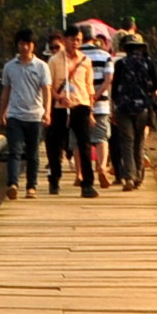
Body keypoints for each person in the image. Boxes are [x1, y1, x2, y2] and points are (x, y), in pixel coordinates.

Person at [0, 28, 50, 199]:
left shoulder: (42, 67)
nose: (25, 47)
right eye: (21, 44)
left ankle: (31, 186)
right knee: (15, 151)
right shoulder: (9, 67)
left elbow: (46, 90)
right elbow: (6, 91)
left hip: (35, 115)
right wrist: (2, 113)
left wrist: (47, 112)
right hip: (15, 115)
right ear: (17, 45)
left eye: (28, 44)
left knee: (33, 154)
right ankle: (12, 183)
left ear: (33, 46)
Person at [44, 28, 97, 197]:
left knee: (84, 145)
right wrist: (58, 97)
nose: (75, 43)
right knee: (56, 144)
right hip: (60, 107)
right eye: (72, 39)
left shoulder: (86, 61)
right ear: (65, 40)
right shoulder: (54, 60)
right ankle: (54, 178)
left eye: (78, 40)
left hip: (80, 105)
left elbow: (89, 86)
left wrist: (91, 110)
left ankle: (87, 183)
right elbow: (48, 86)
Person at [110, 30, 157, 189]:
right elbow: (156, 85)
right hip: (142, 108)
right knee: (139, 141)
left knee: (126, 141)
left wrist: (114, 109)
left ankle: (129, 176)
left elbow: (114, 90)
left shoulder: (120, 64)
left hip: (123, 108)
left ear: (125, 48)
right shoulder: (148, 64)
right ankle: (138, 177)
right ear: (141, 48)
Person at [80, 22, 119, 191]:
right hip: (101, 102)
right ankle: (102, 167)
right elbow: (109, 78)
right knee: (102, 137)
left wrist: (87, 97)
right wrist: (97, 95)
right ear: (94, 38)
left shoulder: (76, 55)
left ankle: (80, 173)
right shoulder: (105, 55)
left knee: (81, 140)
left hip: (80, 102)